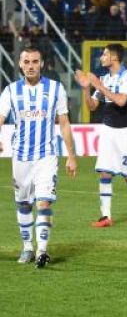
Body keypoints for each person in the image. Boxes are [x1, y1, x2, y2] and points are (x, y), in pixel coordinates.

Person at [0, 46, 78, 268]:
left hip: (47, 155)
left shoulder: (55, 89)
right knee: (23, 204)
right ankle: (27, 248)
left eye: (35, 61)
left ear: (42, 63)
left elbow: (64, 123)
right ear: (20, 65)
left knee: (44, 201)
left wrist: (71, 156)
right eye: (27, 62)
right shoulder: (11, 91)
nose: (31, 66)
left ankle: (42, 250)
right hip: (21, 157)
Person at [75, 43, 127, 227]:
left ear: (114, 57)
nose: (101, 57)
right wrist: (86, 88)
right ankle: (106, 216)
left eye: (105, 54)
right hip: (108, 131)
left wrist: (99, 85)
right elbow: (92, 107)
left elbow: (122, 101)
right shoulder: (105, 79)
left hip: (124, 132)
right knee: (105, 173)